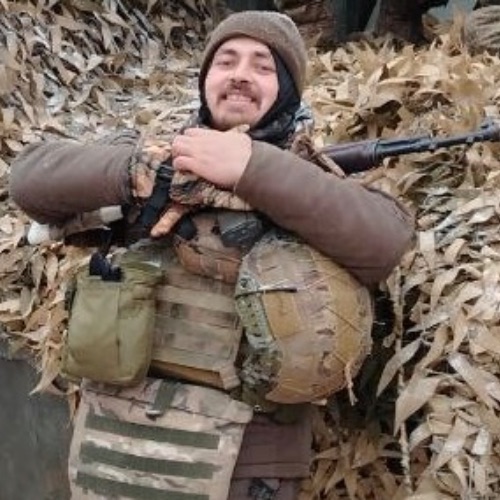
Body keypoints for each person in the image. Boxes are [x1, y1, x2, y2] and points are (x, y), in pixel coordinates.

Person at [9, 10, 415, 500]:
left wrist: (251, 170)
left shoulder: (308, 180)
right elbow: (29, 181)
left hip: (246, 462)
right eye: (226, 61)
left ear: (288, 89)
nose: (240, 74)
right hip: (116, 445)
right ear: (205, 80)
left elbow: (386, 241)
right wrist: (139, 173)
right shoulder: (152, 159)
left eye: (263, 66)